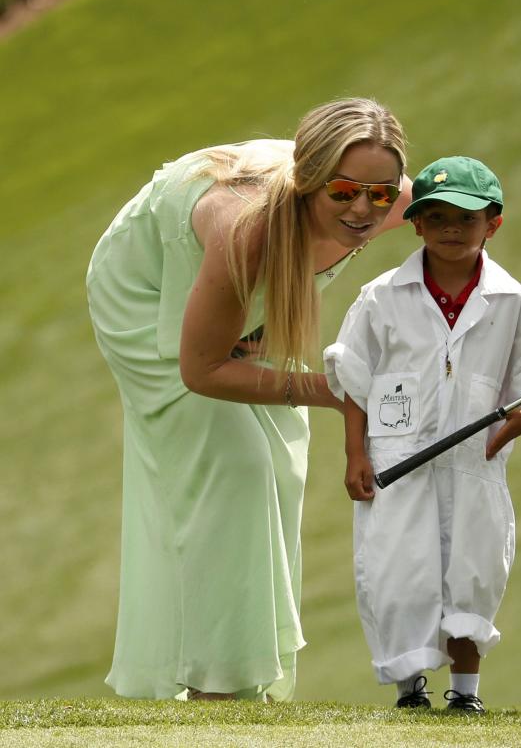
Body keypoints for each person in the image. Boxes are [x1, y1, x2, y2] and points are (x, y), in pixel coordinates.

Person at [86, 97, 411, 701]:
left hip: (233, 300)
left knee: (280, 467)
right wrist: (338, 392)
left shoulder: (398, 203)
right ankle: (219, 688)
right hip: (145, 289)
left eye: (380, 193)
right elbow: (202, 368)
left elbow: (463, 232)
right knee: (237, 467)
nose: (364, 209)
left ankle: (250, 676)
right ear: (310, 181)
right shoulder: (249, 230)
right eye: (343, 192)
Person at [324, 156, 521, 713]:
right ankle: (410, 692)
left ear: (493, 223)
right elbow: (354, 382)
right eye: (436, 217)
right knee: (399, 573)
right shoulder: (381, 296)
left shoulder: (511, 300)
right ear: (415, 224)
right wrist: (354, 455)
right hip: (397, 461)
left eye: (466, 217)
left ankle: (466, 695)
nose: (451, 229)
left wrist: (518, 423)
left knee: (472, 573)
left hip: (473, 463)